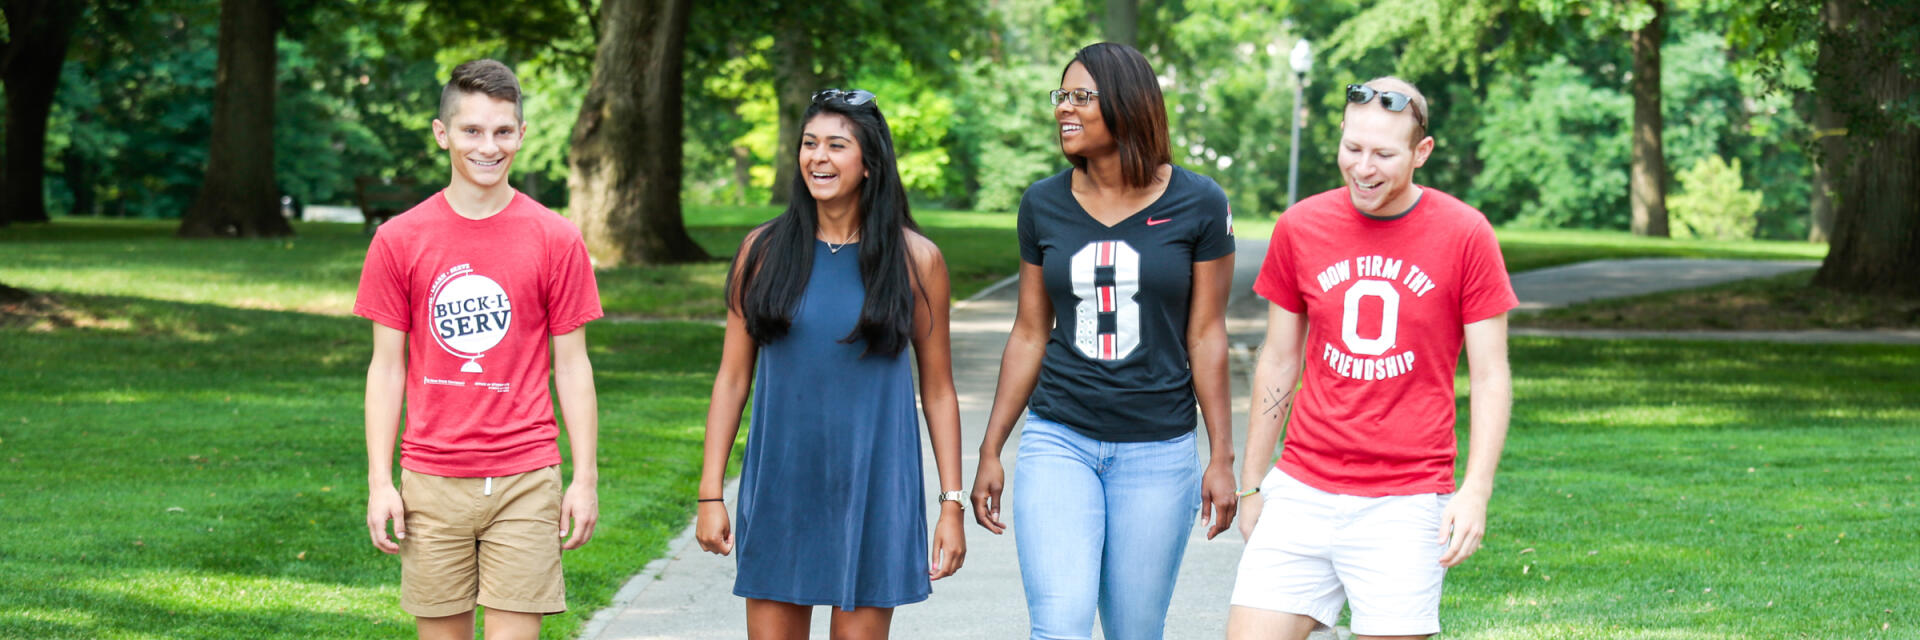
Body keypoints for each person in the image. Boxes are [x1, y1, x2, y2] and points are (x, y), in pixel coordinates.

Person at [1227, 76, 1516, 640]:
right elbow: (1280, 362)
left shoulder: (1465, 234)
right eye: (1352, 149)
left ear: (1420, 152)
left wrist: (1476, 488)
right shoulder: (1301, 226)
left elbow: (1490, 374)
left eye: (1383, 153)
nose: (1363, 168)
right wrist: (1253, 483)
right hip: (1304, 488)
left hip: (1405, 502)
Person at [968, 42, 1239, 640]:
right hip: (1059, 437)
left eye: (1079, 97)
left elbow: (1206, 334)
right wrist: (991, 447)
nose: (1064, 109)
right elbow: (1030, 331)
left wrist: (1221, 455)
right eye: (1060, 96)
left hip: (1159, 449)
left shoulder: (1199, 202)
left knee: (1134, 630)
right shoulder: (1042, 203)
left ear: (1126, 102)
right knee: (1059, 626)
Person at [695, 87, 967, 639]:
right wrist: (709, 494)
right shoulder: (762, 252)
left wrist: (951, 504)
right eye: (809, 143)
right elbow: (732, 379)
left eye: (836, 145)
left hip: (875, 490)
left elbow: (938, 391)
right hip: (782, 487)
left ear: (870, 162)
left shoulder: (916, 260)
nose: (818, 157)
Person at [356, 59, 603, 640]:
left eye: (502, 131)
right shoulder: (399, 239)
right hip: (430, 478)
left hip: (525, 474)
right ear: (442, 134)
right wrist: (379, 481)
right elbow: (386, 368)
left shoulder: (556, 238)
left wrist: (584, 478)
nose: (488, 146)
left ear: (520, 134)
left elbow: (573, 364)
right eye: (471, 130)